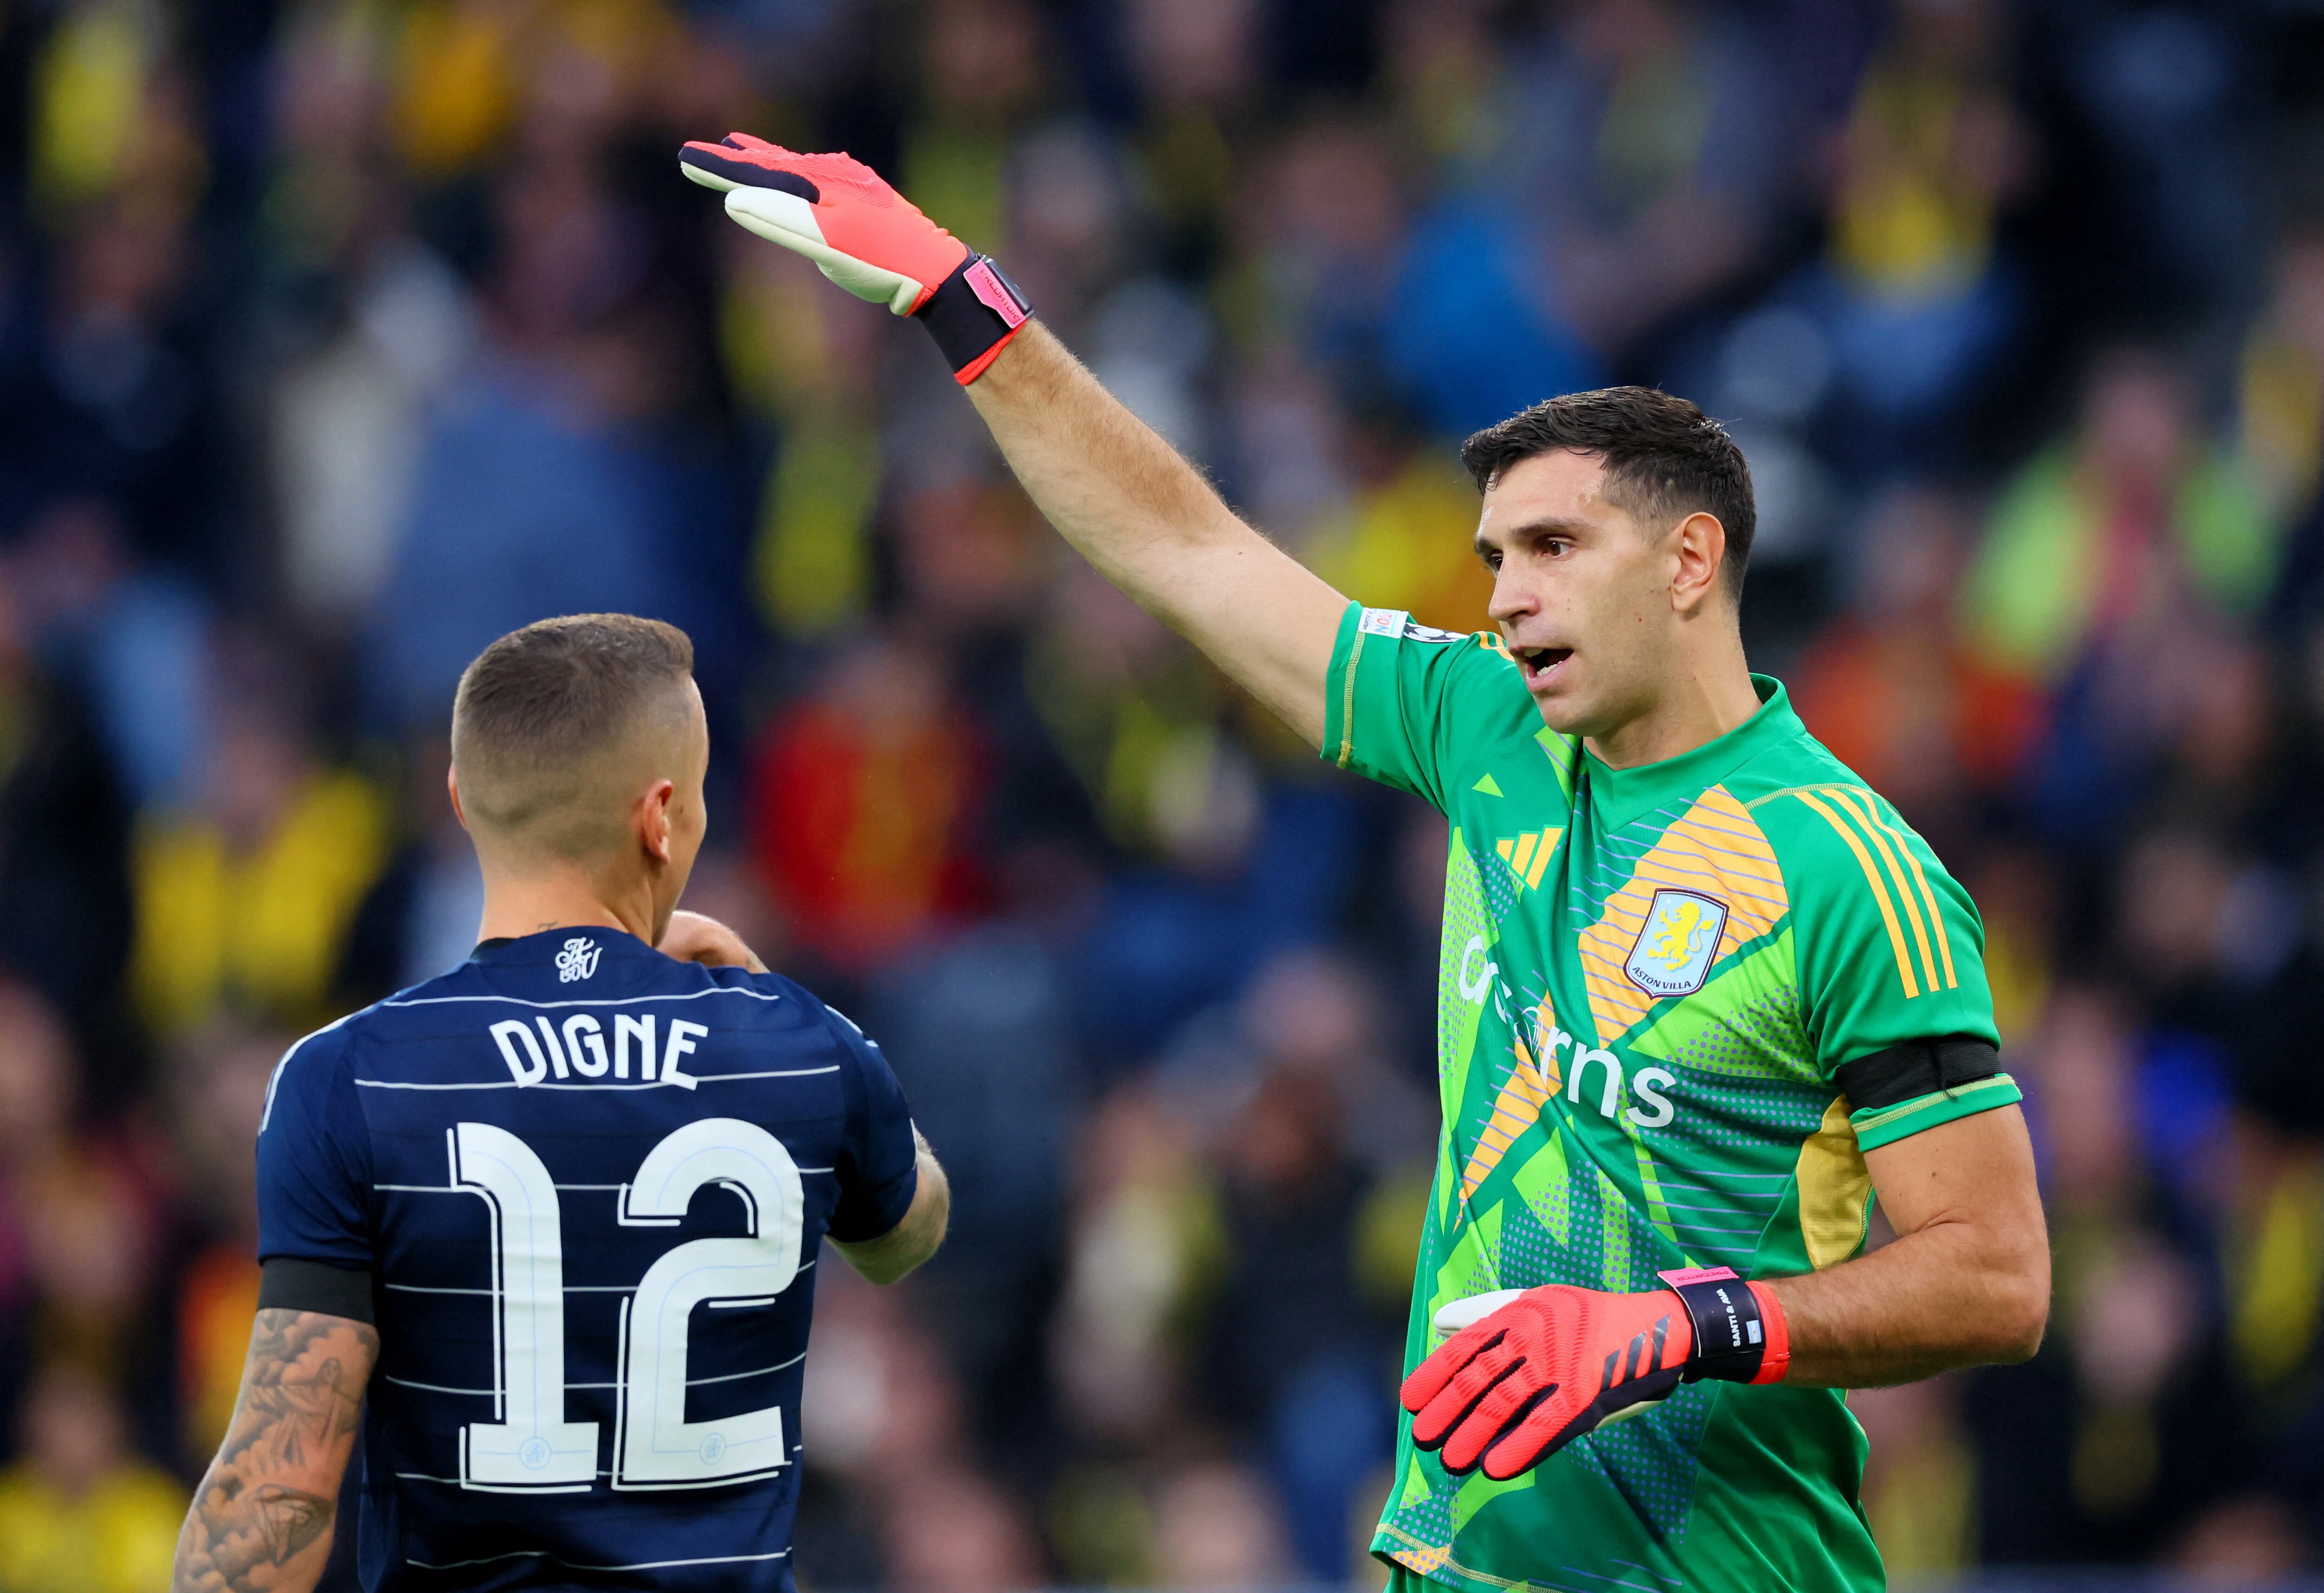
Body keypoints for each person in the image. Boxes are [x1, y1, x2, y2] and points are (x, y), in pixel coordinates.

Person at [675, 136, 2050, 1593]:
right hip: (1447, 1565)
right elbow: (1186, 546)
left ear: (1691, 562)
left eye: (1553, 548)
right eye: (1495, 556)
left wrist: (1688, 1325)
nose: (1507, 598)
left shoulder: (1848, 871)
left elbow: (1998, 1274)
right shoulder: (1482, 724)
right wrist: (963, 302)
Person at [169, 614, 950, 1591]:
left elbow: (277, 1495)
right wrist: (773, 993)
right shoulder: (796, 1048)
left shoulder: (349, 1076)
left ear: (461, 799)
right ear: (661, 817)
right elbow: (907, 1229)